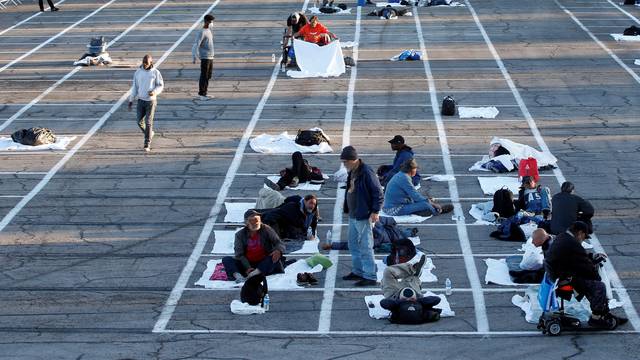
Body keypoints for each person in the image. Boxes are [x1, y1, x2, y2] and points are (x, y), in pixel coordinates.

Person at [544, 221, 628, 328]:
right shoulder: (572, 243)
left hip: (558, 274)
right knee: (599, 286)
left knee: (590, 282)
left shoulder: (563, 237)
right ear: (580, 233)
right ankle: (596, 317)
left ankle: (604, 314)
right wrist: (596, 274)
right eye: (584, 236)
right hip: (563, 278)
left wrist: (592, 257)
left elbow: (577, 257)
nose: (583, 239)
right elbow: (586, 267)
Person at [341, 146, 383, 286]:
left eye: (345, 162)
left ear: (353, 160)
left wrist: (375, 211)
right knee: (353, 244)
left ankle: (370, 276)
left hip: (363, 215)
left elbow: (378, 192)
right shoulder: (353, 171)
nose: (344, 164)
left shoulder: (366, 172)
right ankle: (358, 271)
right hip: (354, 214)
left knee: (366, 246)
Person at [222, 210, 286, 283]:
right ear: (246, 223)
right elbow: (239, 255)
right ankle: (239, 276)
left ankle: (254, 274)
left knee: (273, 258)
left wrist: (278, 250)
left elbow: (279, 242)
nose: (255, 223)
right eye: (252, 221)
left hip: (263, 262)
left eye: (257, 220)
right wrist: (248, 267)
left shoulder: (266, 229)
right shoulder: (239, 235)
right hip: (247, 263)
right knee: (226, 259)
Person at [382, 159, 453, 217]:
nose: (416, 171)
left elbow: (412, 195)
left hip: (396, 204)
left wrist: (427, 200)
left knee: (425, 201)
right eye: (415, 169)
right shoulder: (404, 178)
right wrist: (432, 204)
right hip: (393, 209)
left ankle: (420, 209)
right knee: (425, 204)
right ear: (411, 169)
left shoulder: (401, 175)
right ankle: (437, 211)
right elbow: (415, 195)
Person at [491, 175, 551, 240]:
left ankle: (544, 214)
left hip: (541, 211)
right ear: (524, 184)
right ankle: (508, 229)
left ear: (534, 182)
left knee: (538, 220)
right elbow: (520, 205)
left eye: (530, 182)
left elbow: (546, 200)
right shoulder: (523, 191)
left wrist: (545, 211)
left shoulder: (542, 189)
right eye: (526, 183)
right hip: (530, 212)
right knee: (520, 216)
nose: (529, 184)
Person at [128, 54, 164, 152]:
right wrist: (131, 100)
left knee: (148, 122)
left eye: (146, 63)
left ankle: (147, 143)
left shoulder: (155, 73)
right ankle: (150, 133)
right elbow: (135, 87)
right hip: (141, 100)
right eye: (143, 62)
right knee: (139, 122)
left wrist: (154, 92)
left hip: (151, 101)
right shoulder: (138, 73)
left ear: (151, 63)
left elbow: (160, 85)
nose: (144, 64)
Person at [192, 14, 215, 100]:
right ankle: (201, 94)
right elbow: (196, 44)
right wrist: (194, 56)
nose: (212, 23)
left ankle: (205, 92)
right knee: (204, 75)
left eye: (212, 22)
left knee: (208, 75)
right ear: (206, 21)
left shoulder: (209, 31)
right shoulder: (201, 32)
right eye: (210, 22)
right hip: (205, 57)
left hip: (210, 57)